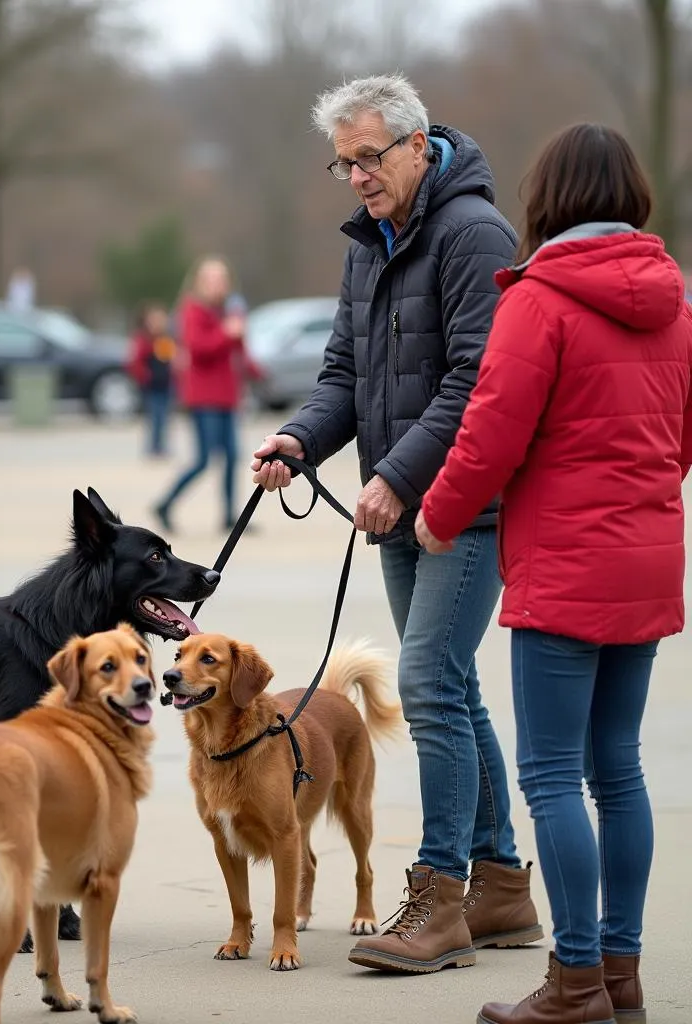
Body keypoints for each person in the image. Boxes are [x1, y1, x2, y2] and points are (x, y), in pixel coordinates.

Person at [250, 73, 541, 973]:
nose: (357, 178)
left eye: (368, 158)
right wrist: (299, 440)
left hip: (467, 507)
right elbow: (344, 373)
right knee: (452, 690)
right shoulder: (369, 243)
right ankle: (500, 889)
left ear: (419, 145)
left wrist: (401, 477)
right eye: (343, 164)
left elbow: (477, 382)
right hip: (400, 510)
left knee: (426, 688)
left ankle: (441, 897)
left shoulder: (473, 234)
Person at [416, 124, 692, 1024]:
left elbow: (489, 433)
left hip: (566, 568)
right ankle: (622, 975)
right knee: (619, 770)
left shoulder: (539, 300)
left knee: (549, 778)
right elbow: (680, 441)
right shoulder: (676, 299)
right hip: (645, 561)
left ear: (549, 198)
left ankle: (574, 984)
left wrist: (439, 514)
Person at [154, 256, 262, 533]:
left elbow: (240, 350)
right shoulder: (192, 311)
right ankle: (165, 504)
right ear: (199, 283)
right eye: (211, 279)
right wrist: (227, 333)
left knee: (232, 457)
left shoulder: (229, 311)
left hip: (227, 395)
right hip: (203, 397)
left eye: (221, 279)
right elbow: (198, 348)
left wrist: (259, 373)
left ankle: (228, 516)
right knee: (204, 459)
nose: (217, 285)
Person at [126, 301, 176, 457]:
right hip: (151, 385)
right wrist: (145, 376)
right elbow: (135, 361)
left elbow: (171, 358)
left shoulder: (166, 338)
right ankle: (153, 446)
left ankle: (161, 445)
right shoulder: (143, 339)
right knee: (154, 416)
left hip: (166, 384)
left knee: (164, 416)